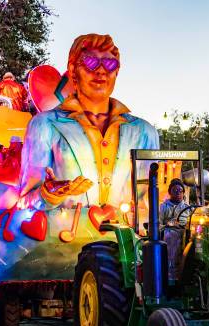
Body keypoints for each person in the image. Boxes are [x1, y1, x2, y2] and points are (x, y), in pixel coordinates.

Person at [19, 34, 160, 210]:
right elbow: (24, 202)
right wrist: (50, 192)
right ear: (72, 69)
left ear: (117, 71)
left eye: (110, 64)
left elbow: (149, 203)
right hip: (63, 235)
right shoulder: (44, 125)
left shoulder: (144, 132)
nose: (101, 71)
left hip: (126, 237)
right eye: (90, 63)